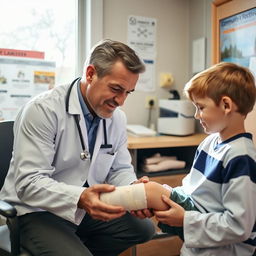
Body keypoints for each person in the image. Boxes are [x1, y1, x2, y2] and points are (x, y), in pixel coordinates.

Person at [0, 39, 156, 256]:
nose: (121, 101)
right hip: (37, 210)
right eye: (116, 89)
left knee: (143, 229)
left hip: (85, 209)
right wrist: (81, 198)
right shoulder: (43, 110)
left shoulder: (116, 118)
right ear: (91, 73)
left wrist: (133, 189)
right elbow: (29, 184)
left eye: (128, 92)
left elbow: (118, 169)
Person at [100, 62, 256, 256]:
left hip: (224, 249)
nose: (196, 115)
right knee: (151, 192)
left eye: (200, 107)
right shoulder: (209, 143)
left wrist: (185, 220)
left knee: (150, 192)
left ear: (226, 105)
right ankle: (94, 203)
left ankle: (96, 201)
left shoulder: (241, 157)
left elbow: (239, 226)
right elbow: (191, 188)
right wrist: (165, 195)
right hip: (198, 234)